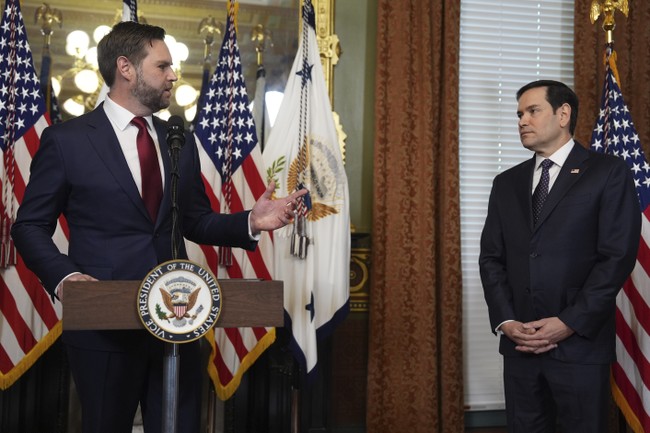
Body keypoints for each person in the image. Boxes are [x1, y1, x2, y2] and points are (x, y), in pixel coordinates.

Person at [11, 21, 306, 433]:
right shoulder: (67, 140)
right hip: (104, 328)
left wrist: (251, 222)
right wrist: (66, 278)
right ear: (126, 68)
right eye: (163, 66)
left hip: (178, 321)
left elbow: (195, 220)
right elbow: (29, 226)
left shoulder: (176, 139)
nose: (173, 75)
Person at [479, 80, 641, 433]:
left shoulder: (607, 172)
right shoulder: (506, 183)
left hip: (579, 346)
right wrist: (506, 321)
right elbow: (491, 258)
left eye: (532, 111)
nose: (522, 120)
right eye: (519, 114)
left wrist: (570, 321)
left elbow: (616, 257)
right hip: (520, 345)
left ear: (563, 114)